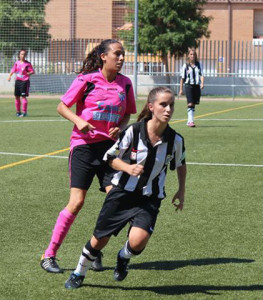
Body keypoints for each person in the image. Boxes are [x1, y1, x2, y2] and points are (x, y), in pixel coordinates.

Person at [64, 86, 186, 289]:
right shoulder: (133, 131)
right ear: (151, 106)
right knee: (99, 240)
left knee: (138, 242)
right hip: (121, 194)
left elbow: (181, 164)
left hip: (149, 197)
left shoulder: (175, 139)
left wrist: (181, 190)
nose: (168, 109)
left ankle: (123, 258)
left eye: (171, 105)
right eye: (163, 104)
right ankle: (79, 272)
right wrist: (128, 168)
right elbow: (109, 158)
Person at [40, 39, 136, 274]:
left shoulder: (125, 84)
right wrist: (78, 120)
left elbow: (127, 115)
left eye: (123, 54)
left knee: (117, 201)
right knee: (77, 202)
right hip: (83, 147)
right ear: (104, 56)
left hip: (110, 150)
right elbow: (62, 106)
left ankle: (93, 250)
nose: (122, 58)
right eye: (117, 54)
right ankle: (49, 255)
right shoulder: (87, 79)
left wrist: (120, 127)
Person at [179, 48, 204, 127]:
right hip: (188, 85)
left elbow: (201, 75)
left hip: (196, 86)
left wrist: (202, 83)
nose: (192, 56)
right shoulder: (185, 66)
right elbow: (182, 78)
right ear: (188, 56)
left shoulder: (198, 65)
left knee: (193, 104)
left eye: (194, 54)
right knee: (190, 103)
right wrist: (181, 89)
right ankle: (190, 121)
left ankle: (189, 120)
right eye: (191, 54)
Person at [7, 49, 35, 117]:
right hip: (18, 81)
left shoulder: (27, 64)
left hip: (24, 82)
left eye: (24, 54)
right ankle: (18, 112)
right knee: (16, 97)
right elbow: (13, 70)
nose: (23, 55)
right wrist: (9, 76)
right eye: (22, 54)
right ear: (19, 55)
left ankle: (24, 112)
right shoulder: (17, 63)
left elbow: (32, 72)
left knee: (23, 96)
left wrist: (26, 73)